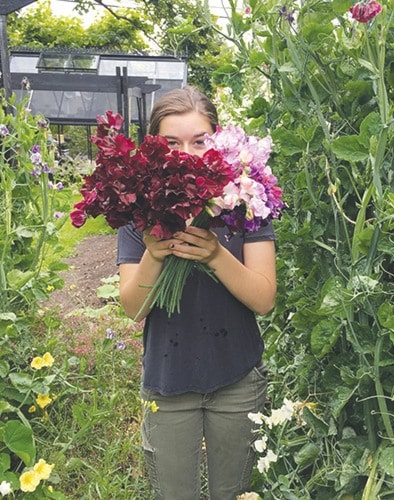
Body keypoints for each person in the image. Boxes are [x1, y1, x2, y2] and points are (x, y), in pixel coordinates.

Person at [116, 85, 277, 499]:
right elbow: (133, 308)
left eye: (199, 141)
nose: (186, 154)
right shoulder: (142, 210)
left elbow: (263, 298)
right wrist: (154, 252)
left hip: (237, 378)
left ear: (219, 143)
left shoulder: (244, 201)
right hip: (168, 382)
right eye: (171, 143)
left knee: (236, 493)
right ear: (154, 147)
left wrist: (214, 254)